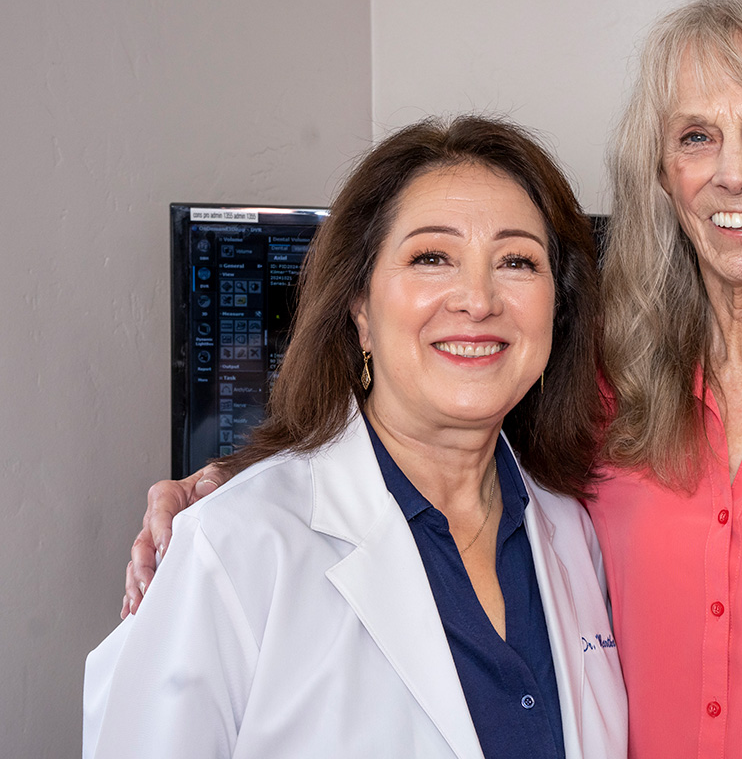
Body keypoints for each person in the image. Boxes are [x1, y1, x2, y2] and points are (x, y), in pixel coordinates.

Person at [123, 0, 742, 759]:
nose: (733, 173)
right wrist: (227, 491)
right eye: (696, 136)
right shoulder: (596, 391)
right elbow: (424, 448)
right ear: (662, 175)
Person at [86, 116, 627, 758]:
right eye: (432, 257)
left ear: (556, 310)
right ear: (360, 309)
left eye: (517, 261)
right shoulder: (233, 547)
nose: (478, 299)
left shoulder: (571, 532)